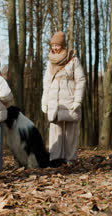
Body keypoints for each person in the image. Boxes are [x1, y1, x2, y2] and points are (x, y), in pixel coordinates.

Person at [41, 31, 86, 165]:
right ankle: (55, 159)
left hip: (70, 101)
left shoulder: (73, 60)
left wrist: (78, 99)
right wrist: (45, 101)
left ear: (63, 45)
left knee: (71, 132)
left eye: (57, 45)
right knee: (55, 130)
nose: (54, 48)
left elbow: (81, 80)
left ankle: (70, 158)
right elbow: (47, 82)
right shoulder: (50, 62)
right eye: (52, 45)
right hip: (55, 102)